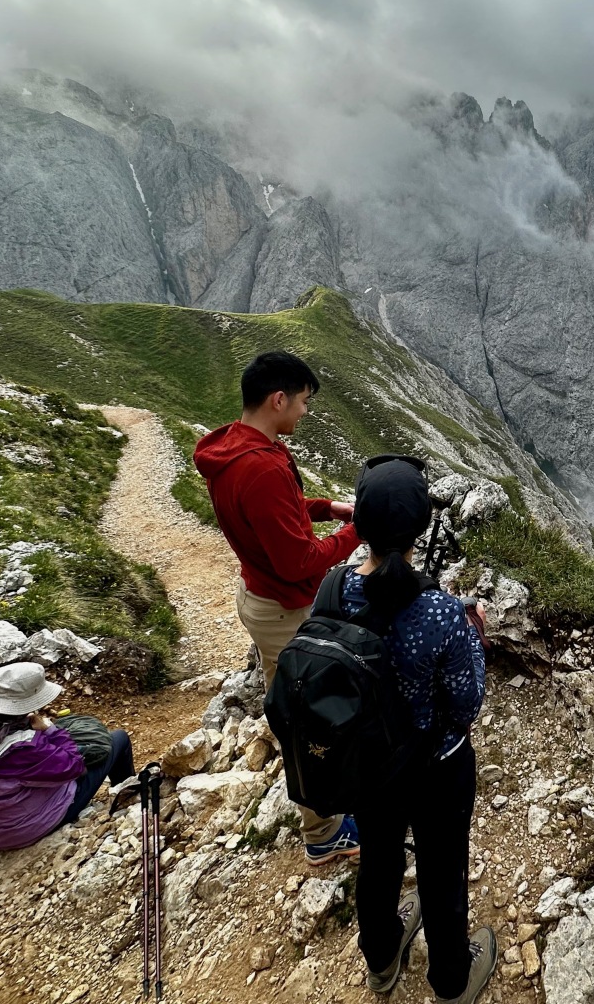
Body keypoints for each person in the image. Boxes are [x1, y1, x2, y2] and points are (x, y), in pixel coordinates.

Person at [195, 350, 365, 864]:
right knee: (313, 719)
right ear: (278, 399)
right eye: (304, 401)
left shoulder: (234, 446)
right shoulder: (261, 467)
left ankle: (317, 789)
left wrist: (327, 508)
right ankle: (324, 831)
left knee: (290, 701)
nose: (306, 411)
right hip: (286, 608)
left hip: (259, 596)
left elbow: (275, 511)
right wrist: (357, 531)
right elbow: (299, 563)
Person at [338, 455, 496, 1003]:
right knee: (442, 867)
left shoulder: (334, 589)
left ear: (361, 526)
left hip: (367, 761)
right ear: (420, 530)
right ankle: (451, 980)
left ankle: (381, 959)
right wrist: (474, 638)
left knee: (379, 857)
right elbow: (466, 703)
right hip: (435, 764)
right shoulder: (441, 612)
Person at [0, 662, 134, 850]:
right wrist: (49, 730)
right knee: (119, 739)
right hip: (31, 827)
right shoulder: (23, 748)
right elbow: (75, 767)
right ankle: (130, 795)